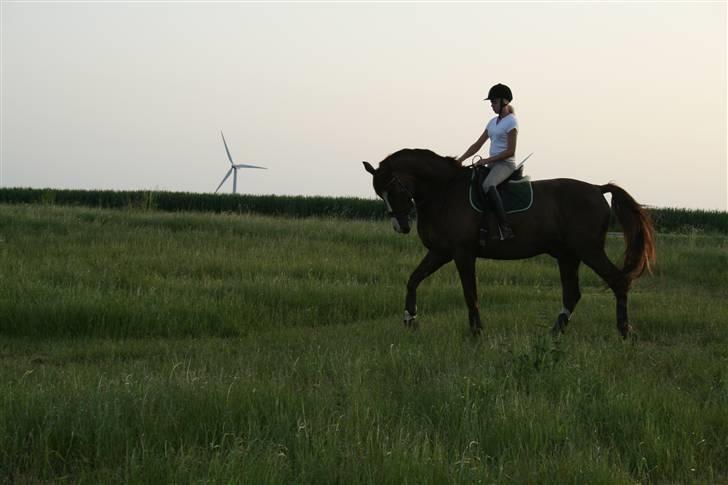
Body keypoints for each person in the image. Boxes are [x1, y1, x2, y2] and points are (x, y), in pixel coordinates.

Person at [456, 83, 518, 242]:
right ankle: (482, 226)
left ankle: (505, 228)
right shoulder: (492, 122)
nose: (492, 105)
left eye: (494, 102)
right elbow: (477, 145)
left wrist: (487, 160)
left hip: (505, 164)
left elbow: (511, 151)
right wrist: (460, 160)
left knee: (488, 185)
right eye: (491, 102)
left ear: (505, 101)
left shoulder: (512, 122)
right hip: (492, 164)